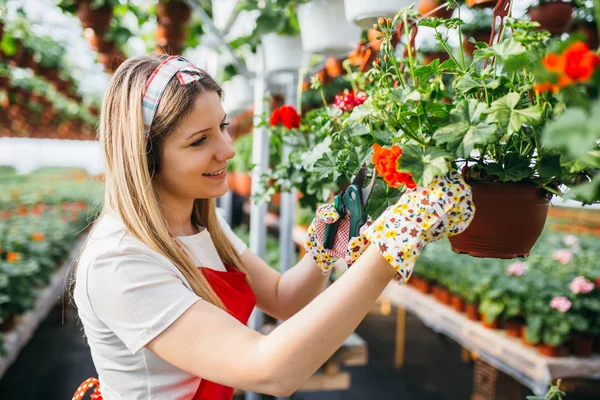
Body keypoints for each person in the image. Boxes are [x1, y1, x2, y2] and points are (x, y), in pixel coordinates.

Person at [71, 53, 475, 400]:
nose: (227, 150)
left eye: (223, 127)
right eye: (199, 141)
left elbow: (284, 299)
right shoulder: (121, 260)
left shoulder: (198, 222)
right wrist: (393, 245)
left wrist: (326, 246)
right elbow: (271, 370)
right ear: (145, 156)